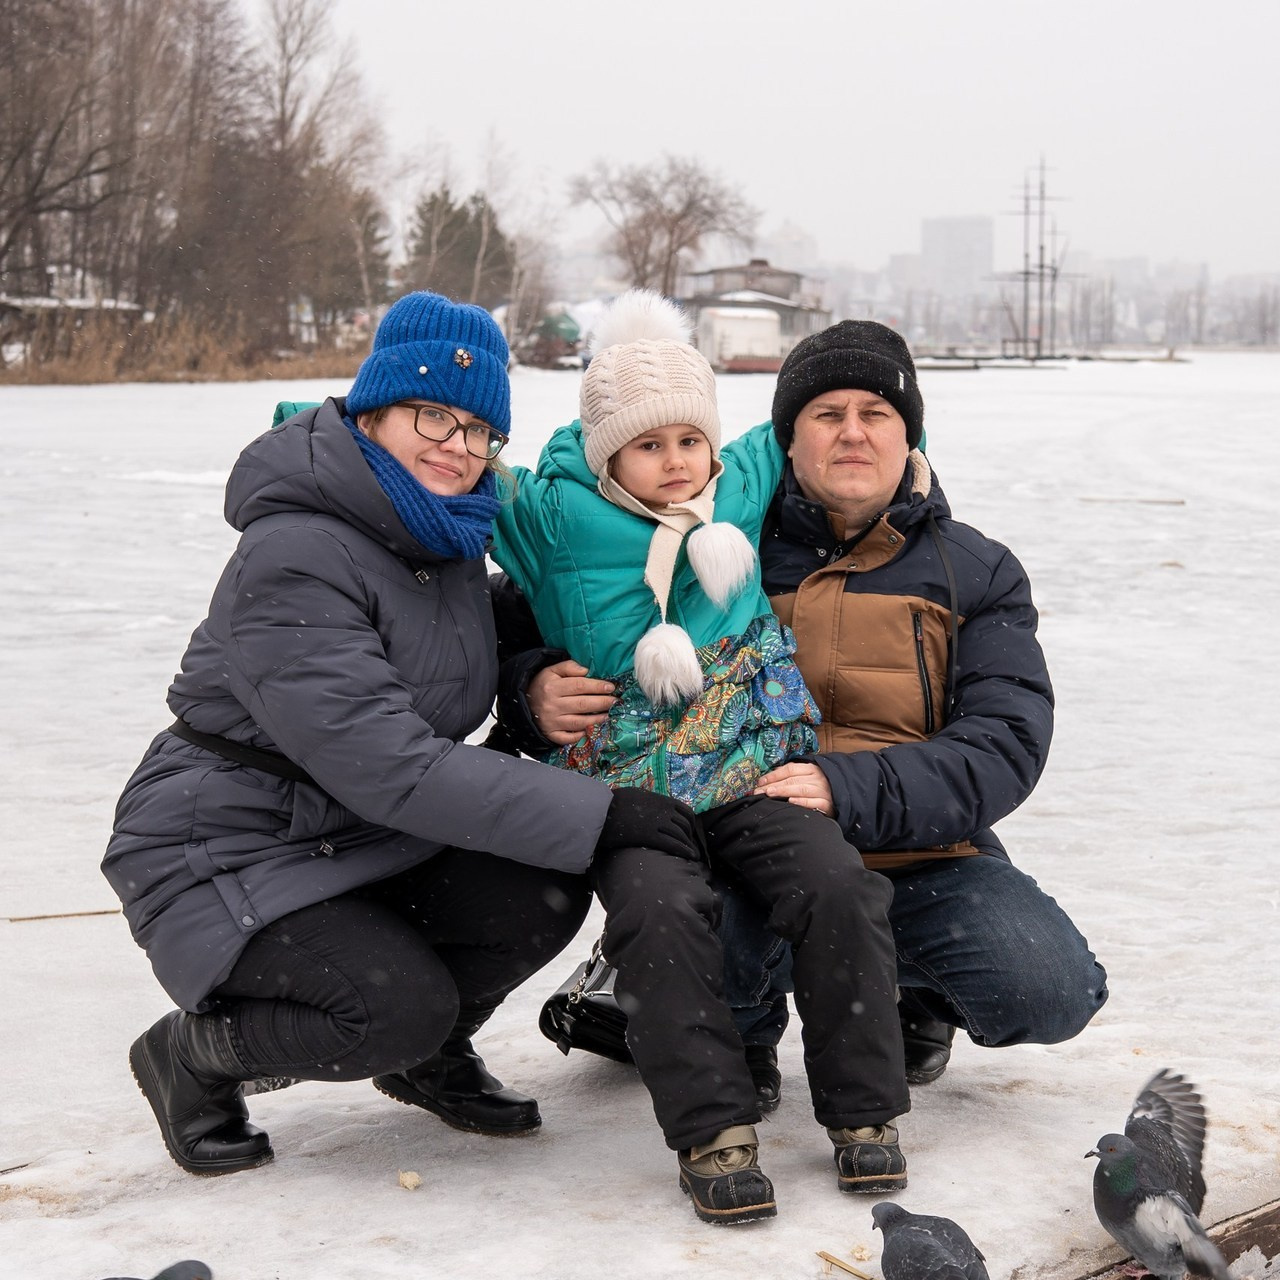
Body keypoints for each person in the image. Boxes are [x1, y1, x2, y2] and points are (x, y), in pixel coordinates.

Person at [101, 291, 687, 1178]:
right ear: (372, 411)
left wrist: (526, 684)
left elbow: (458, 646)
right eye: (432, 417)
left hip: (357, 833)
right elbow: (388, 763)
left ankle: (429, 1055)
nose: (457, 448)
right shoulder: (294, 552)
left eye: (478, 430)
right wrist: (604, 813)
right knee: (383, 1009)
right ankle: (192, 1055)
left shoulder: (436, 533)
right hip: (228, 846)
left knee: (541, 886)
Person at [517, 318, 1109, 1096]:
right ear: (787, 439)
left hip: (916, 849)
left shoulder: (974, 571)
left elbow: (1005, 742)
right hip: (737, 844)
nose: (853, 435)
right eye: (828, 416)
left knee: (1049, 986)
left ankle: (907, 990)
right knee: (708, 925)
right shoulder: (716, 527)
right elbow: (549, 601)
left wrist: (848, 789)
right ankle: (735, 1022)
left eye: (878, 415)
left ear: (912, 435)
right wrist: (529, 686)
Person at [487, 291, 909, 1226]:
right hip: (632, 790)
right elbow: (460, 475)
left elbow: (812, 418)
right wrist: (333, 429)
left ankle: (865, 1114)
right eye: (649, 445)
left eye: (690, 440)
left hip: (749, 766)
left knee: (838, 886)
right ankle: (712, 1131)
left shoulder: (738, 489)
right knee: (661, 914)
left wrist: (890, 432)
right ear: (607, 454)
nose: (677, 463)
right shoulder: (557, 517)